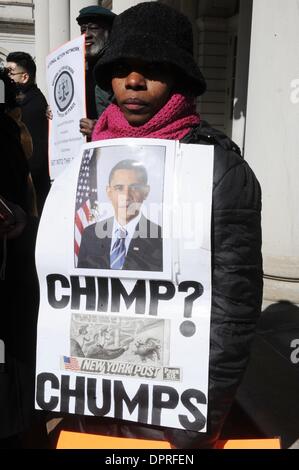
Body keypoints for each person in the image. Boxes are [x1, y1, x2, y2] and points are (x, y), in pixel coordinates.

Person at [82, 2, 262, 449]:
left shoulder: (220, 169)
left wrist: (197, 420)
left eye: (153, 67)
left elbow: (233, 312)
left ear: (180, 76)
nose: (134, 81)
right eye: (122, 67)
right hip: (95, 404)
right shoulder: (88, 162)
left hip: (172, 413)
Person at [78, 159, 162, 271]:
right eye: (119, 188)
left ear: (146, 192)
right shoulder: (90, 235)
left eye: (135, 188)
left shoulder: (161, 238)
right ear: (109, 192)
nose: (126, 196)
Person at [6, 52, 51, 216]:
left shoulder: (33, 104)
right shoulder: (16, 101)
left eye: (10, 72)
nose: (6, 77)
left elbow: (36, 155)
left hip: (29, 191)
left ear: (24, 77)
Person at [76, 5, 116, 138]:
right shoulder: (78, 71)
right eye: (83, 30)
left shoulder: (119, 72)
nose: (86, 35)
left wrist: (100, 129)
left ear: (109, 32)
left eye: (93, 28)